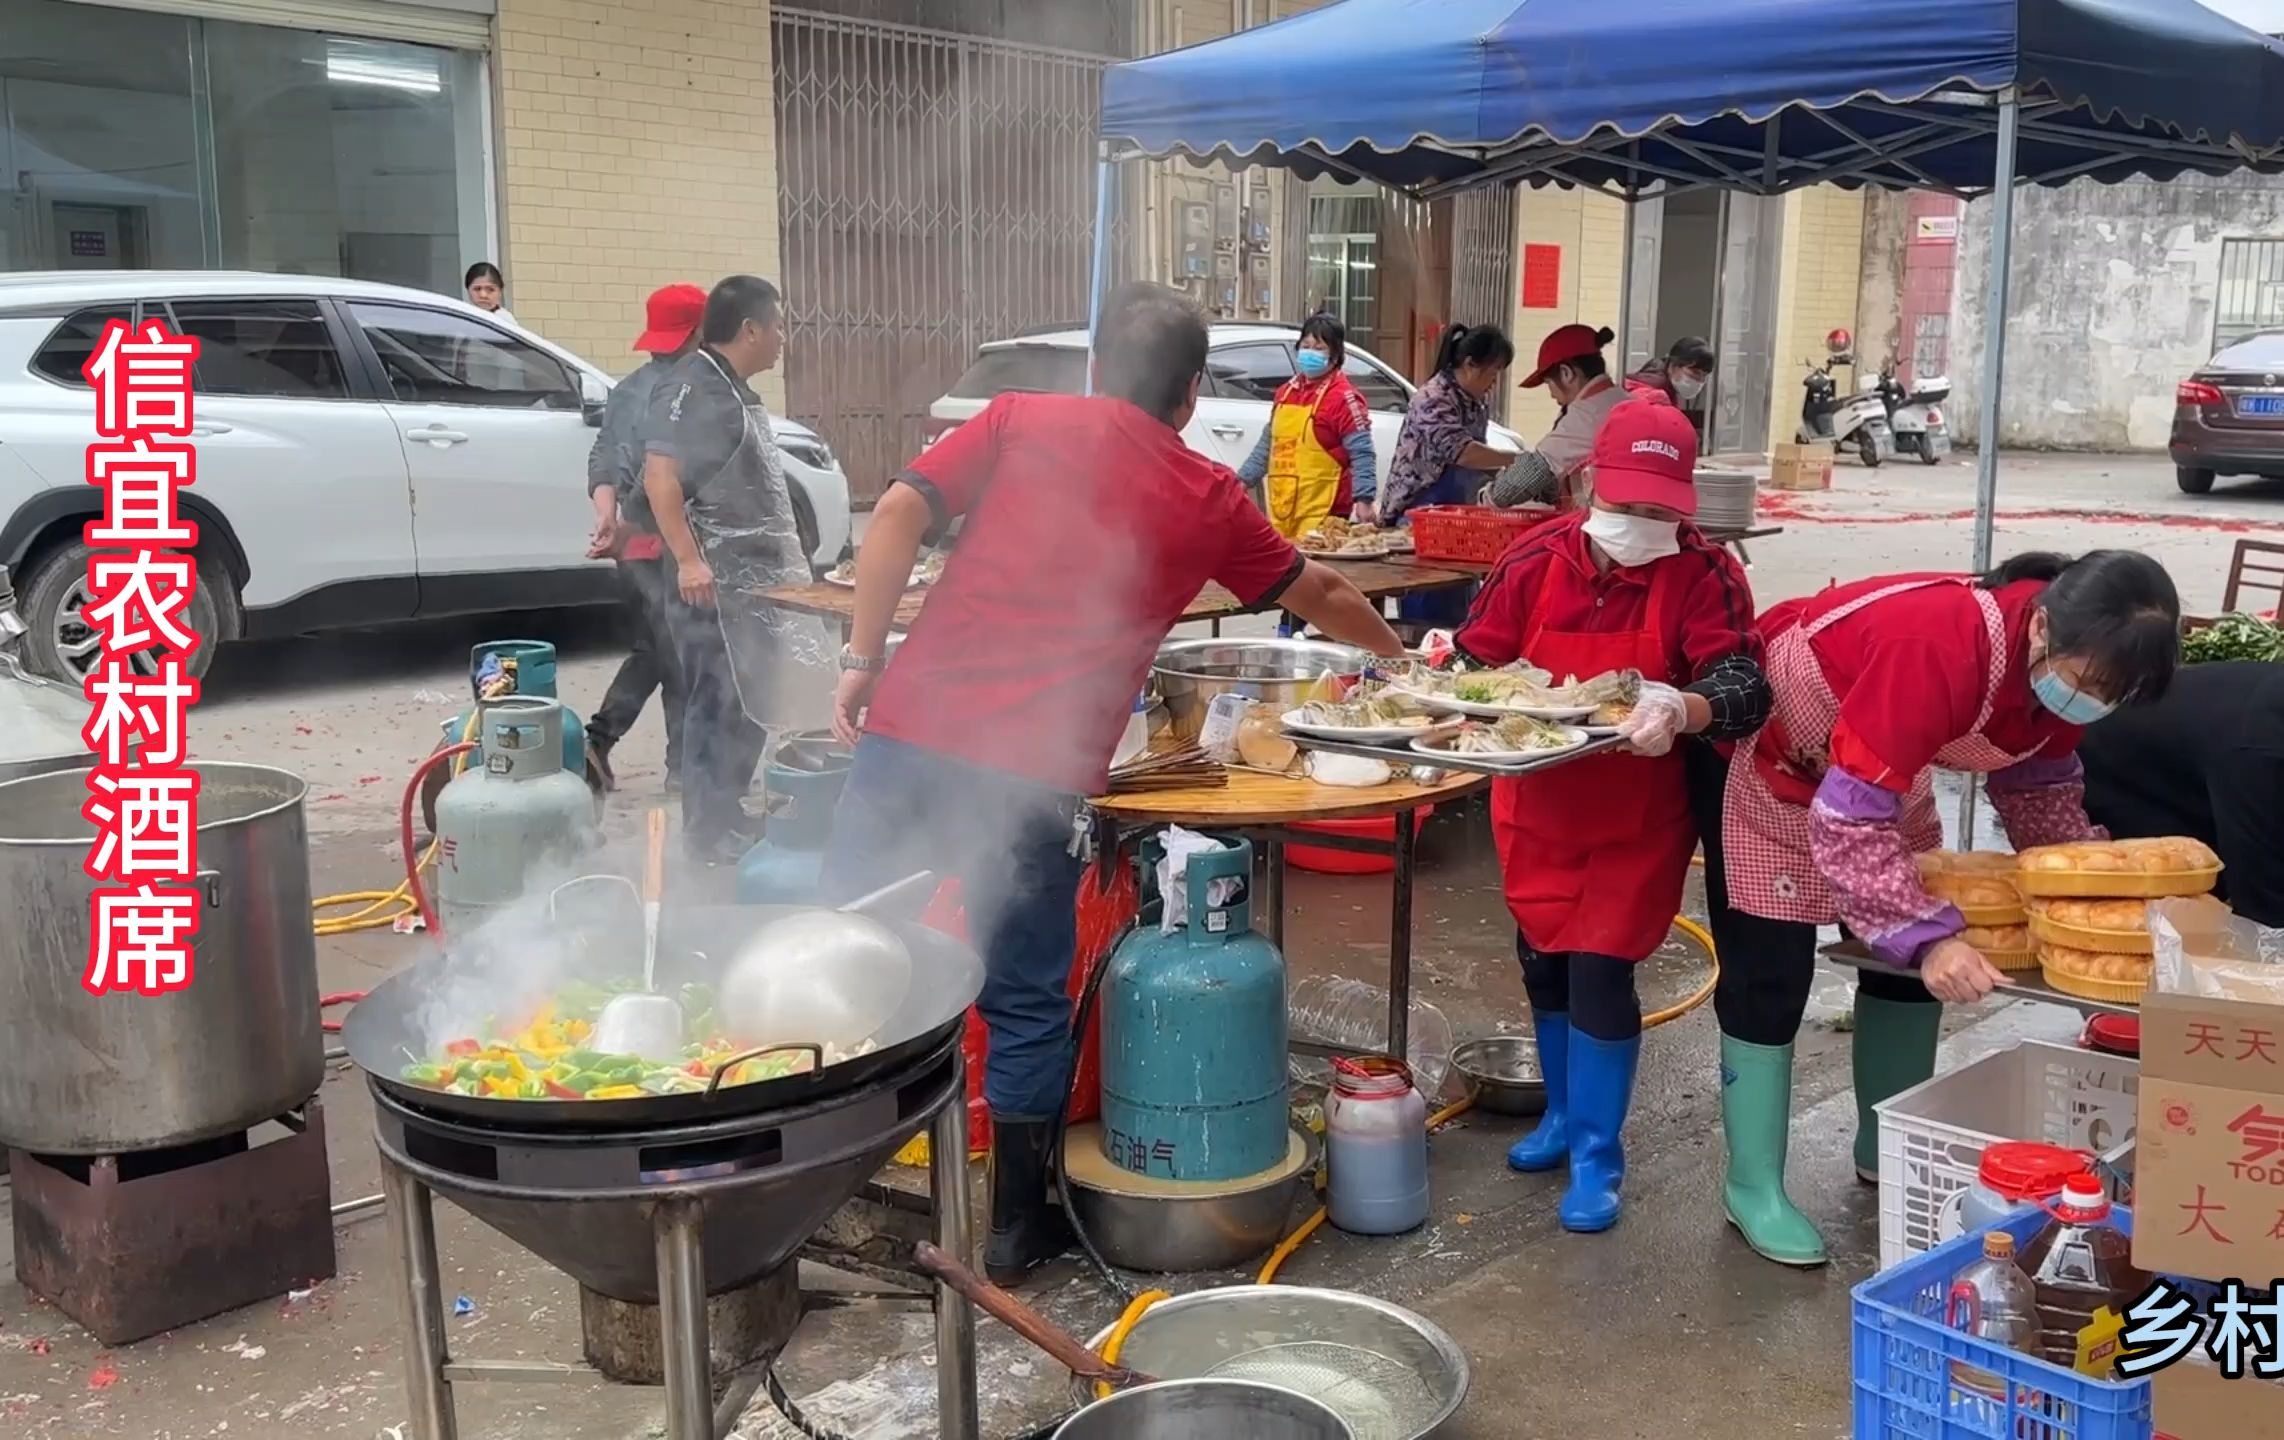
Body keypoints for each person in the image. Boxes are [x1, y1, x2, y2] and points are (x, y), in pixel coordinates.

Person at [818, 282, 1407, 1285]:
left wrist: (861, 659)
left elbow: (895, 518)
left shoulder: (1015, 421)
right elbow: (1323, 591)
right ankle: (1010, 1229)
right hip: (1031, 775)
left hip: (911, 735)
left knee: (834, 951)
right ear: (1188, 394)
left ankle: (802, 1188)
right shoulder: (1206, 491)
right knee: (1024, 1002)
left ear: (1093, 370)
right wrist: (1403, 665)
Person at [1696, 550, 2179, 1266]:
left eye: (2116, 693)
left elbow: (2038, 789)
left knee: (1902, 973)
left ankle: (1887, 1145)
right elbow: (1849, 821)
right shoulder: (1938, 645)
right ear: (2042, 626)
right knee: (1769, 980)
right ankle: (1754, 1186)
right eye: (2090, 683)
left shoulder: (2065, 671)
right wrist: (1929, 940)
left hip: (1883, 769)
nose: (2095, 701)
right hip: (1784, 760)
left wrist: (2080, 899)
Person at [1454, 395, 1768, 1237]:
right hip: (1537, 806)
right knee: (1543, 964)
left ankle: (1598, 1152)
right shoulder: (1533, 560)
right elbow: (1474, 660)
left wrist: (1683, 708)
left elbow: (1745, 689)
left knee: (1600, 972)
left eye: (1661, 509)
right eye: (1627, 505)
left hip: (1638, 817)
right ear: (1592, 482)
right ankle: (1558, 1118)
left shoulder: (1705, 574)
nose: (1641, 522)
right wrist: (1446, 678)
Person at [642, 275, 829, 862]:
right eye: (776, 327)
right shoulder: (690, 387)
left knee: (748, 701)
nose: (781, 339)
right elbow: (660, 476)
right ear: (749, 329)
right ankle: (705, 832)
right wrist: (690, 560)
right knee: (714, 704)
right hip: (712, 584)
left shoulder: (732, 388)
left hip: (754, 583)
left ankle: (727, 812)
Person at [584, 283, 706, 792]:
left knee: (658, 645)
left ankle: (600, 743)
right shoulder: (688, 390)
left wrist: (607, 516)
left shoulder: (628, 387)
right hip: (666, 541)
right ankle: (676, 768)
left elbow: (604, 457)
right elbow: (668, 479)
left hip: (630, 545)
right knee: (676, 651)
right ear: (699, 331)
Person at [2079, 658, 2284, 926]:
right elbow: (2264, 898)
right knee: (2180, 896)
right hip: (2121, 774)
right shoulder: (2260, 747)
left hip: (2195, 769)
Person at [1379, 323, 1521, 628]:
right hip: (1421, 515)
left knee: (1460, 610)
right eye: (1493, 372)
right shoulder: (1433, 398)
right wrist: (1519, 461)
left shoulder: (1473, 402)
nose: (1494, 382)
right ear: (1470, 365)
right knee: (1426, 611)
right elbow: (1463, 452)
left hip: (1457, 521)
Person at [1235, 312, 1376, 537]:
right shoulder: (1284, 393)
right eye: (1306, 346)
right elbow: (1267, 446)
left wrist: (1364, 499)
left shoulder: (1345, 398)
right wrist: (1242, 482)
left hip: (1326, 510)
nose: (1310, 352)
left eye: (1319, 348)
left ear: (1335, 355)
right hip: (1284, 507)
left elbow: (1362, 454)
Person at [1487, 324, 1628, 512]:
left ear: (1566, 373)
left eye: (1548, 384)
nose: (1552, 395)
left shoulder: (1588, 414)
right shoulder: (1620, 399)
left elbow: (1535, 470)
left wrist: (1489, 496)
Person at [1628, 336, 1716, 409]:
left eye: (1704, 375)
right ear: (1673, 366)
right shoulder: (1656, 395)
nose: (1699, 380)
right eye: (1695, 372)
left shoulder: (1658, 379)